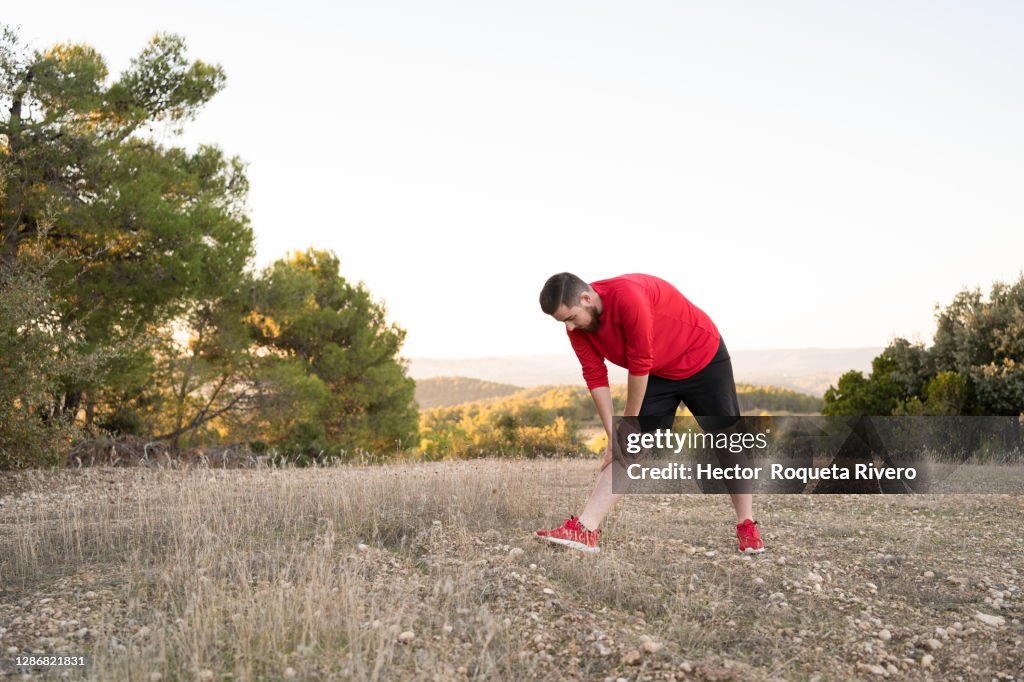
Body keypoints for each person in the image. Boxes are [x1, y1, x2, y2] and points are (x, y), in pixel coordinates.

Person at [534, 272, 765, 554]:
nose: (569, 327)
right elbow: (594, 376)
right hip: (659, 371)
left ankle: (747, 525)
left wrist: (627, 424)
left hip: (703, 358)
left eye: (570, 318)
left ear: (586, 298)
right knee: (630, 445)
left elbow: (639, 363)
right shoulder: (577, 329)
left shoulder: (628, 297)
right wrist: (613, 436)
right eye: (563, 322)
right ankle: (586, 529)